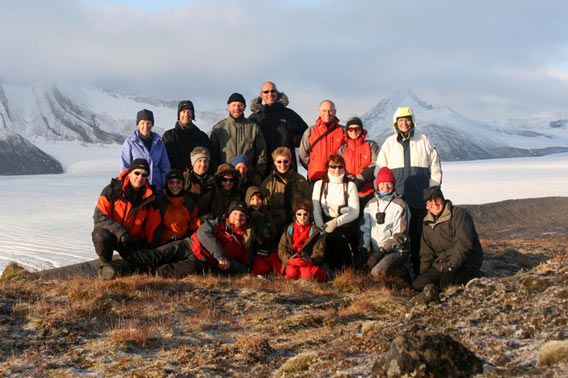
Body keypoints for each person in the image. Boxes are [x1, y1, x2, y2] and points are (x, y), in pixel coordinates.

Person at [376, 106, 442, 275]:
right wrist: (384, 191)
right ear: (395, 123)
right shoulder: (389, 143)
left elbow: (435, 167)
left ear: (412, 121)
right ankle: (400, 268)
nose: (404, 123)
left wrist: (433, 191)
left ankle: (421, 267)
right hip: (397, 199)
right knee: (399, 233)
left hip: (420, 198)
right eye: (400, 120)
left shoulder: (424, 140)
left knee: (420, 233)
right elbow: (380, 169)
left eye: (407, 119)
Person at [125, 201, 254, 278]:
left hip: (201, 262)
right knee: (157, 255)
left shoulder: (245, 239)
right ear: (229, 215)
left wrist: (230, 264)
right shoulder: (217, 223)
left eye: (242, 215)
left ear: (247, 218)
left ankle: (145, 273)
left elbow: (244, 267)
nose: (238, 217)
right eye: (235, 213)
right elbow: (203, 233)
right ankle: (120, 266)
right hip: (188, 245)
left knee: (169, 269)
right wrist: (220, 256)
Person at [92, 159, 160, 277]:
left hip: (133, 240)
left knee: (141, 269)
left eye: (144, 175)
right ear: (129, 172)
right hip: (112, 235)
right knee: (100, 235)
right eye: (137, 173)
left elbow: (152, 226)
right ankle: (105, 267)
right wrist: (122, 233)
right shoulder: (112, 190)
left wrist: (150, 250)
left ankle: (121, 267)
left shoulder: (150, 198)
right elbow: (99, 216)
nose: (140, 177)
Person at [413, 186, 483, 291]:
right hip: (443, 264)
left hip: (466, 262)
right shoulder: (427, 223)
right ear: (426, 205)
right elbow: (426, 253)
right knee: (418, 285)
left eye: (437, 199)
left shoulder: (459, 214)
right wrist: (424, 274)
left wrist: (452, 269)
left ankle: (474, 276)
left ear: (443, 199)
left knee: (449, 286)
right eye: (430, 201)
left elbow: (464, 244)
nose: (435, 204)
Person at [360, 167, 410, 277]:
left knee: (377, 272)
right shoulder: (370, 204)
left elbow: (400, 235)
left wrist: (382, 251)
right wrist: (363, 248)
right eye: (382, 183)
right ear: (377, 184)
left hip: (397, 251)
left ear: (393, 185)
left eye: (389, 183)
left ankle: (404, 274)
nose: (385, 187)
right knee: (362, 271)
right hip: (377, 250)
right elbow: (365, 230)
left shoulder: (400, 205)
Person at [312, 154, 360, 270]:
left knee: (340, 239)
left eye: (340, 166)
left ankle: (346, 270)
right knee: (326, 241)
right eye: (333, 166)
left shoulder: (350, 185)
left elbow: (355, 212)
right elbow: (316, 209)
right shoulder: (320, 185)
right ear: (327, 167)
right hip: (325, 221)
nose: (337, 170)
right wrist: (321, 227)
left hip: (344, 221)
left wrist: (335, 223)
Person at [249, 81, 308, 174]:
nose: (270, 94)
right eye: (266, 92)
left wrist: (290, 140)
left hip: (286, 165)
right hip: (264, 167)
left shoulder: (289, 114)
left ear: (277, 93)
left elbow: (306, 135)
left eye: (273, 91)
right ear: (261, 95)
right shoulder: (255, 118)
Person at [209, 93, 267, 183]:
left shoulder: (254, 128)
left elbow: (261, 153)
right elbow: (213, 155)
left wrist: (258, 174)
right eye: (234, 105)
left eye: (240, 105)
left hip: (248, 178)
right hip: (226, 180)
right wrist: (218, 173)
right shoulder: (218, 129)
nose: (237, 108)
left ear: (244, 107)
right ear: (228, 106)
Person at [261, 147, 312, 236]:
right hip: (275, 226)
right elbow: (263, 207)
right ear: (274, 162)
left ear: (290, 161)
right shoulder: (268, 183)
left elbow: (309, 203)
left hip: (297, 224)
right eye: (279, 161)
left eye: (286, 161)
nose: (283, 164)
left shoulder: (301, 180)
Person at [121, 109, 170, 192]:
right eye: (142, 123)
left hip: (156, 187)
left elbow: (165, 166)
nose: (146, 126)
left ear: (152, 124)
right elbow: (125, 167)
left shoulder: (159, 142)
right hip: (137, 187)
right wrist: (128, 186)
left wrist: (163, 183)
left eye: (148, 123)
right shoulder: (130, 142)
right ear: (138, 124)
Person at [278, 200, 328, 282]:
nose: (302, 217)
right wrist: (290, 260)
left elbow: (319, 251)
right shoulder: (290, 229)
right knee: (291, 273)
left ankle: (324, 273)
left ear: (309, 215)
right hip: (293, 260)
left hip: (308, 261)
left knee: (307, 274)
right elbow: (282, 249)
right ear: (295, 215)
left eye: (305, 214)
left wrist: (309, 261)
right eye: (299, 214)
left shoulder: (314, 231)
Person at [338, 116, 379, 209]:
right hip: (348, 192)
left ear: (361, 129)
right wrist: (351, 180)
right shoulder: (343, 149)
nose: (354, 131)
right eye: (350, 129)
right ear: (347, 131)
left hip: (369, 192)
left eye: (357, 128)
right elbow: (339, 166)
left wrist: (360, 179)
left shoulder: (371, 145)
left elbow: (376, 164)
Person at [299, 100, 345, 182]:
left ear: (335, 112)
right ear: (319, 112)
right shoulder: (310, 131)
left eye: (330, 111)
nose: (327, 114)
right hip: (316, 178)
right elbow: (303, 155)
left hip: (338, 179)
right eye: (324, 111)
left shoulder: (343, 131)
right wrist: (313, 166)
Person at [162, 100, 211, 171]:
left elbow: (208, 158)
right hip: (176, 179)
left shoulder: (202, 136)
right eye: (183, 112)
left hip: (197, 178)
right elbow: (165, 160)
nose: (186, 115)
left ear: (193, 114)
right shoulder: (169, 136)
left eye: (189, 112)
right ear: (179, 114)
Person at [155, 169, 199, 245]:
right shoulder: (160, 202)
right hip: (164, 243)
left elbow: (194, 222)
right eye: (171, 182)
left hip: (185, 241)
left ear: (183, 184)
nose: (175, 185)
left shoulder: (189, 202)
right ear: (166, 184)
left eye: (178, 182)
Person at [246, 187, 281, 276]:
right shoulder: (246, 215)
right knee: (260, 269)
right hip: (253, 250)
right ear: (248, 200)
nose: (256, 202)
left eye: (259, 199)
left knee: (279, 270)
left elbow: (273, 233)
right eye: (252, 199)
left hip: (267, 247)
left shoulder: (267, 214)